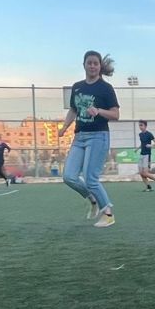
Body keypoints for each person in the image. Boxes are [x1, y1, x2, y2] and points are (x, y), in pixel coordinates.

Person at [58, 51, 120, 227]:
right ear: (84, 65)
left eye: (95, 63)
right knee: (69, 176)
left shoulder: (105, 88)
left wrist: (99, 111)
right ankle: (92, 198)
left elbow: (116, 114)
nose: (92, 66)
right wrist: (64, 127)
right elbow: (73, 110)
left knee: (90, 178)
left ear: (100, 67)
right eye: (89, 63)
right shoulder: (77, 87)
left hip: (98, 136)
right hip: (79, 137)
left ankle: (108, 213)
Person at [136, 120, 155, 192]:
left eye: (141, 125)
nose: (140, 127)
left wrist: (150, 145)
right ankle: (148, 187)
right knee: (141, 173)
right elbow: (142, 144)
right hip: (142, 154)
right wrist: (137, 149)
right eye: (139, 125)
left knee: (145, 172)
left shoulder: (149, 134)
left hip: (147, 155)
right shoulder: (140, 134)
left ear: (145, 126)